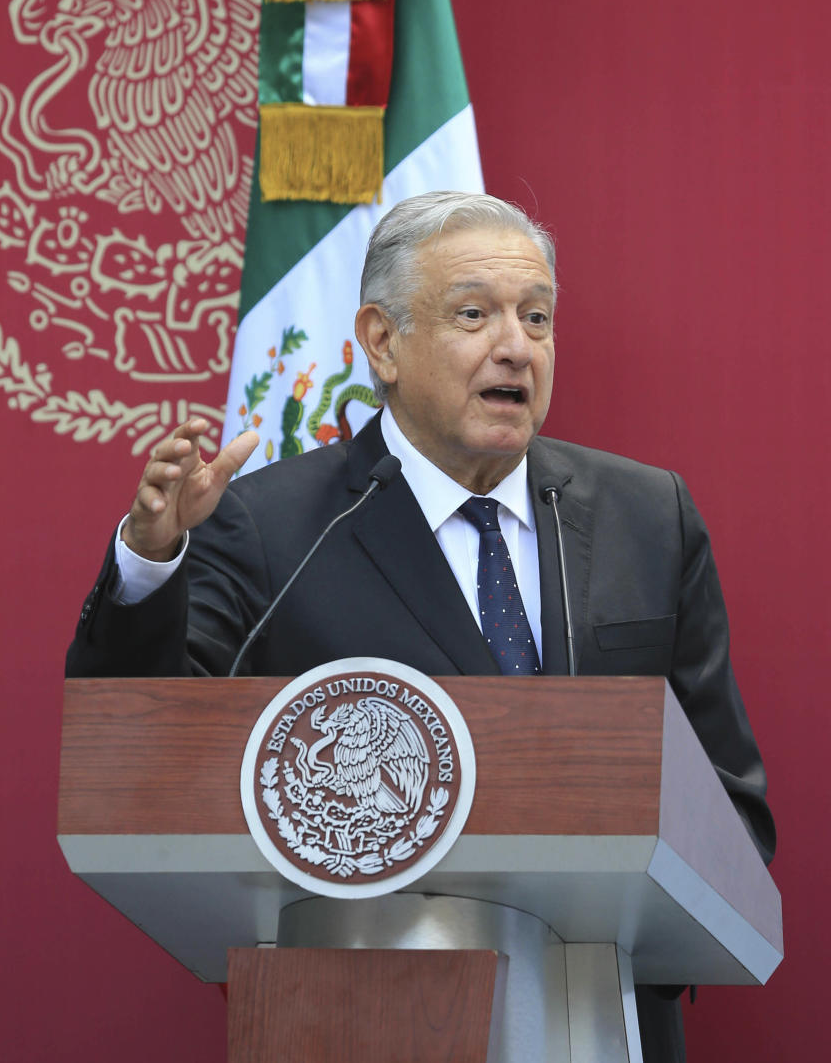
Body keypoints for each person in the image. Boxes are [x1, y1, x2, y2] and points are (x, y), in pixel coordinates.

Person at [67, 190, 774, 1063]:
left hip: (603, 1017)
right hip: (360, 1019)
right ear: (382, 341)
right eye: (473, 314)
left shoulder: (646, 516)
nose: (516, 345)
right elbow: (145, 756)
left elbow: (731, 813)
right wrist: (150, 560)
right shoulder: (272, 526)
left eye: (538, 317)